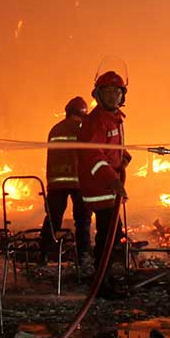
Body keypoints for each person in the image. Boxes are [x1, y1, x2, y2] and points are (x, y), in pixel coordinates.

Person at [77, 70, 131, 296]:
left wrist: (123, 156)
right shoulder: (97, 120)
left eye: (116, 91)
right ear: (98, 95)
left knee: (111, 233)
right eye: (107, 91)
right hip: (100, 188)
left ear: (122, 95)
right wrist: (113, 181)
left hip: (107, 186)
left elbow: (109, 149)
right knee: (108, 235)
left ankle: (104, 278)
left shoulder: (113, 117)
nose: (112, 96)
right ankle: (101, 285)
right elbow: (94, 156)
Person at [39, 96, 91, 264]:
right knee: (82, 220)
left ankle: (44, 253)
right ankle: (83, 255)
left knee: (53, 219)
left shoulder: (55, 129)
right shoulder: (84, 129)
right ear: (83, 113)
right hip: (79, 182)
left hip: (56, 182)